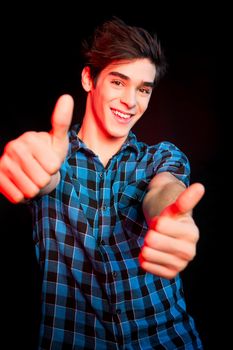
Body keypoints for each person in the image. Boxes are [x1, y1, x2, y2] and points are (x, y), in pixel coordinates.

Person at [0, 17, 205, 349]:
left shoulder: (160, 158)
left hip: (168, 340)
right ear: (88, 79)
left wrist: (170, 215)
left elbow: (165, 190)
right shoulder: (52, 157)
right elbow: (45, 178)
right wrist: (28, 168)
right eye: (118, 82)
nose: (131, 101)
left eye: (143, 89)